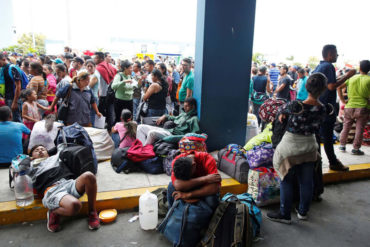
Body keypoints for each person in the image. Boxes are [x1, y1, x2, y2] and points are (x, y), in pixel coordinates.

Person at [267, 73, 329, 224]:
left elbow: (280, 110)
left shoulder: (296, 106)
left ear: (306, 87)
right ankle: (303, 212)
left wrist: (282, 114)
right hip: (309, 148)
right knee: (306, 182)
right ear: (323, 89)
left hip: (290, 148)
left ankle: (285, 214)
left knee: (286, 179)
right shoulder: (325, 109)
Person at [29, 144, 100, 232]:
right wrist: (28, 159)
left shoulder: (56, 156)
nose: (40, 151)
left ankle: (92, 212)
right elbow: (17, 165)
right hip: (53, 190)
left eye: (43, 149)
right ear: (32, 155)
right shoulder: (30, 165)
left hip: (68, 183)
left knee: (89, 176)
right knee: (75, 206)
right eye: (36, 150)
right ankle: (54, 211)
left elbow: (62, 144)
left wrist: (51, 152)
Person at [314, 44, 356, 171]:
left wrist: (343, 77)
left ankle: (318, 163)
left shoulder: (320, 66)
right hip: (327, 107)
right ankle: (333, 162)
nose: (337, 56)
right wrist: (348, 76)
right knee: (327, 137)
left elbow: (328, 83)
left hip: (319, 106)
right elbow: (331, 86)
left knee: (319, 137)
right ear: (330, 53)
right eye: (336, 53)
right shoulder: (329, 66)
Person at [338, 60, 370, 155]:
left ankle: (342, 146)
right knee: (359, 128)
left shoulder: (352, 78)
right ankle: (356, 149)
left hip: (349, 106)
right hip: (363, 107)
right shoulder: (369, 79)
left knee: (346, 126)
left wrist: (343, 100)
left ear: (359, 68)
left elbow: (339, 87)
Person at [94, 52, 116, 130]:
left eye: (96, 58)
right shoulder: (110, 66)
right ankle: (110, 128)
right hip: (111, 93)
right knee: (110, 112)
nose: (94, 59)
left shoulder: (99, 68)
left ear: (100, 58)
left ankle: (100, 129)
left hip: (102, 94)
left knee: (100, 113)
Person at [0, 53, 22, 122]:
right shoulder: (2, 69)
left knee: (16, 119)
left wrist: (15, 102)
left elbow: (18, 86)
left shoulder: (12, 68)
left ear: (3, 59)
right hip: (7, 97)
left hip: (13, 98)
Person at [85, 60, 100, 127]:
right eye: (88, 66)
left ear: (95, 67)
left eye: (91, 66)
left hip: (93, 98)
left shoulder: (95, 76)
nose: (89, 68)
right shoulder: (89, 75)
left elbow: (88, 86)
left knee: (92, 115)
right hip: (89, 97)